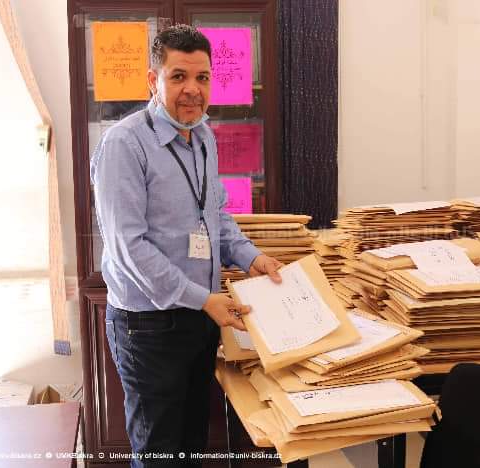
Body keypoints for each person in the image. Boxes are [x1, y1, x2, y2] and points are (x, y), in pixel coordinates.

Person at [90, 24, 283, 466]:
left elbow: (213, 214)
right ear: (152, 80)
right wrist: (203, 299)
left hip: (200, 315)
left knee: (192, 443)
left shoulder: (204, 136)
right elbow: (128, 246)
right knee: (159, 453)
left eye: (202, 77)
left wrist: (251, 256)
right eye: (178, 76)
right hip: (149, 326)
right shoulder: (124, 143)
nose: (193, 89)